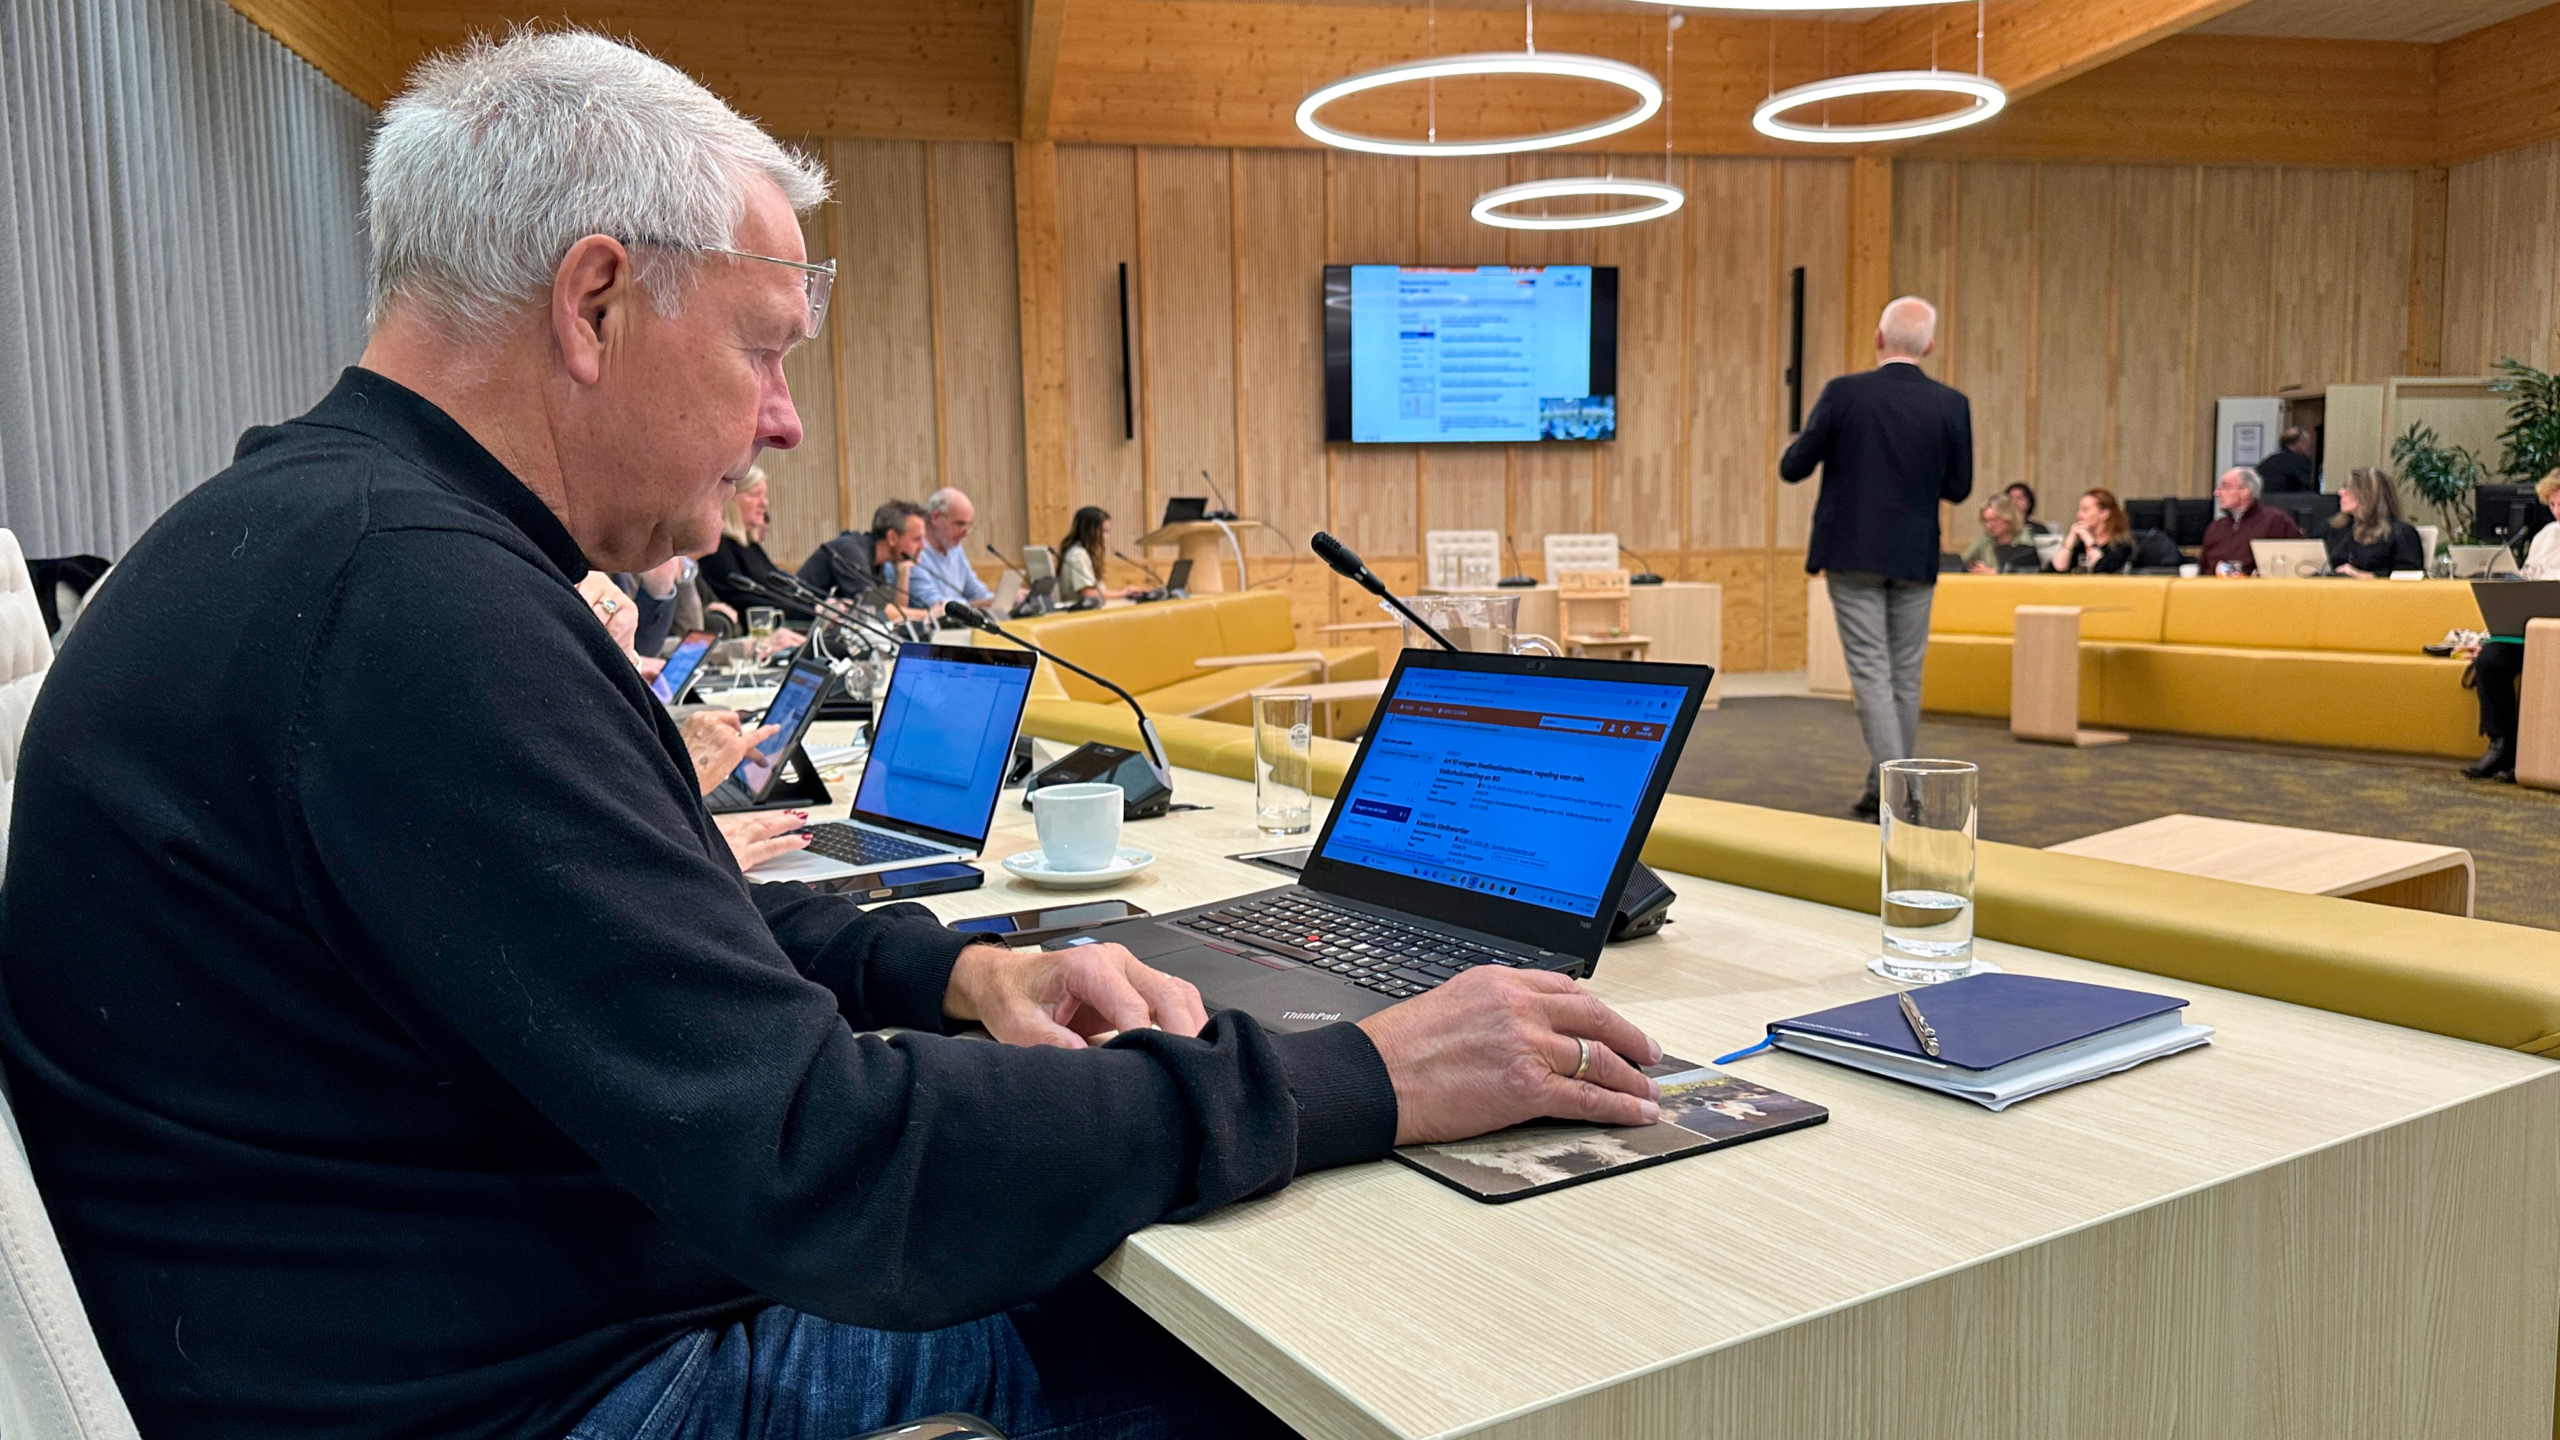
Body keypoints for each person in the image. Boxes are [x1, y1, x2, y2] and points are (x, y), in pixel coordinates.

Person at [0, 31, 1669, 1440]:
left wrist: (956, 975)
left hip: (362, 1340)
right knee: (1237, 1339)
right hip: (546, 1391)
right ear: (594, 302)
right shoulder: (415, 608)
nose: (786, 420)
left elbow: (632, 925)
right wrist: (1363, 1073)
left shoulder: (306, 539)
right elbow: (826, 1164)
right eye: (765, 350)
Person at [1779, 296, 1973, 822]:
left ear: (1877, 337)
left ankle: (1902, 791)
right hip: (1915, 556)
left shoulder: (1845, 393)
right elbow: (1959, 487)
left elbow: (1793, 468)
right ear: (1929, 345)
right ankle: (1880, 784)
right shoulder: (1951, 404)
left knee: (1870, 672)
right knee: (1905, 675)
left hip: (1851, 551)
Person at [2462, 468, 2560, 780]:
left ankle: (2537, 758)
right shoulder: (2546, 537)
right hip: (2533, 626)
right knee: (2492, 659)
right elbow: (2528, 582)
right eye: (2554, 505)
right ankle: (2501, 746)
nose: (2557, 511)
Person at [696, 464, 808, 621]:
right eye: (756, 495)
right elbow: (741, 601)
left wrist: (820, 605)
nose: (764, 503)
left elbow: (780, 583)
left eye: (765, 496)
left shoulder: (751, 545)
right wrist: (810, 612)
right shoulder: (718, 548)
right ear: (731, 500)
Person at [800, 498, 926, 615]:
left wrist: (903, 573)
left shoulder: (878, 562)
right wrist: (929, 615)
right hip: (797, 629)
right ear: (892, 537)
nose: (922, 546)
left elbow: (895, 618)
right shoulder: (851, 551)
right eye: (917, 539)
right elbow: (871, 612)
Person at [2197, 466, 2303, 575]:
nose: (2217, 493)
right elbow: (2203, 569)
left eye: (2225, 487)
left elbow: (2301, 560)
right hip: (2215, 588)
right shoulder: (2216, 527)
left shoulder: (2275, 520)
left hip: (2258, 589)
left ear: (2245, 492)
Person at [2325, 467, 2425, 578]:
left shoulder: (2401, 533)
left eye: (2348, 489)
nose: (2340, 492)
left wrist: (2361, 575)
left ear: (2367, 495)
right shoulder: (2342, 530)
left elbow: (2408, 578)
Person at [908, 486, 996, 611]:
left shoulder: (955, 549)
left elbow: (976, 591)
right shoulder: (913, 552)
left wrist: (1001, 600)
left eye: (968, 525)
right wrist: (978, 604)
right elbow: (934, 603)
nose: (966, 533)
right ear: (935, 517)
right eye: (960, 524)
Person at [1057, 504, 1131, 606]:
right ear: (1089, 531)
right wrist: (1124, 593)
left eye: (1107, 532)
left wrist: (1125, 592)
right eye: (1103, 531)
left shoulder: (1082, 553)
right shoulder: (1077, 555)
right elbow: (1088, 593)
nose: (1105, 537)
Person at [2052, 488, 2136, 573]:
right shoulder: (2080, 544)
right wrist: (2070, 539)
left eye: (2085, 510)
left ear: (2104, 514)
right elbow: (2058, 568)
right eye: (2079, 510)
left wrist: (2090, 542)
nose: (2079, 515)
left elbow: (2101, 569)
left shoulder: (2120, 545)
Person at [1962, 498, 2037, 574]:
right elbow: (1963, 560)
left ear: (2008, 518)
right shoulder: (1987, 539)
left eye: (1994, 520)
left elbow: (2028, 572)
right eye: (1986, 520)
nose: (1988, 525)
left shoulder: (2023, 539)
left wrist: (1994, 573)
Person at [2257, 427, 2319, 493]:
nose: (2309, 448)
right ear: (2300, 444)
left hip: (2265, 501)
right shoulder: (2300, 462)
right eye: (2308, 443)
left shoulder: (2267, 462)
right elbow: (2307, 486)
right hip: (2290, 501)